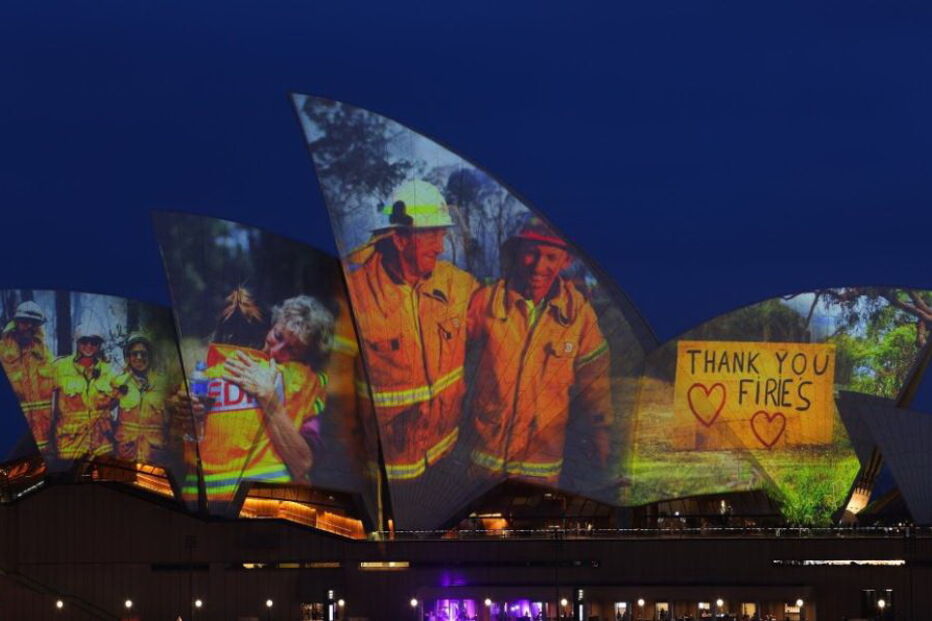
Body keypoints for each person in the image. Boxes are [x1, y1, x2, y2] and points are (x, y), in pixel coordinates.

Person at [345, 180, 477, 483]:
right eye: (431, 235)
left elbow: (498, 310)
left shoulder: (457, 284)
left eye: (442, 234)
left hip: (444, 456)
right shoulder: (355, 294)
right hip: (388, 473)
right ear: (400, 239)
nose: (440, 247)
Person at [466, 216, 612, 487]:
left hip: (541, 465)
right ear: (518, 252)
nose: (538, 266)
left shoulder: (579, 315)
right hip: (485, 461)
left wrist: (600, 433)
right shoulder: (486, 301)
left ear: (565, 261)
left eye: (551, 257)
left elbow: (596, 383)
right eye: (531, 253)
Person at [193, 295, 332, 503]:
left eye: (291, 350)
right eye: (277, 335)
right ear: (272, 325)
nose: (276, 350)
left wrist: (268, 397)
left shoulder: (305, 386)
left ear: (305, 359)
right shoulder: (233, 351)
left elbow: (302, 463)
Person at [51, 321, 120, 460]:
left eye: (94, 342)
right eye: (84, 341)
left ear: (99, 345)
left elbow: (123, 396)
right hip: (70, 444)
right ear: (77, 342)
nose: (89, 346)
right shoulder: (60, 367)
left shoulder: (108, 371)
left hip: (102, 445)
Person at [0, 301, 54, 456]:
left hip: (43, 437)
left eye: (34, 323)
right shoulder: (2, 351)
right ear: (16, 323)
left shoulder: (45, 353)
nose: (29, 326)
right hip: (13, 437)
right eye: (24, 322)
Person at [113, 333, 170, 463]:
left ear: (150, 357)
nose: (139, 358)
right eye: (134, 354)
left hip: (154, 455)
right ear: (128, 357)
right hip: (125, 453)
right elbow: (103, 411)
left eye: (143, 354)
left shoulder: (164, 383)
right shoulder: (118, 382)